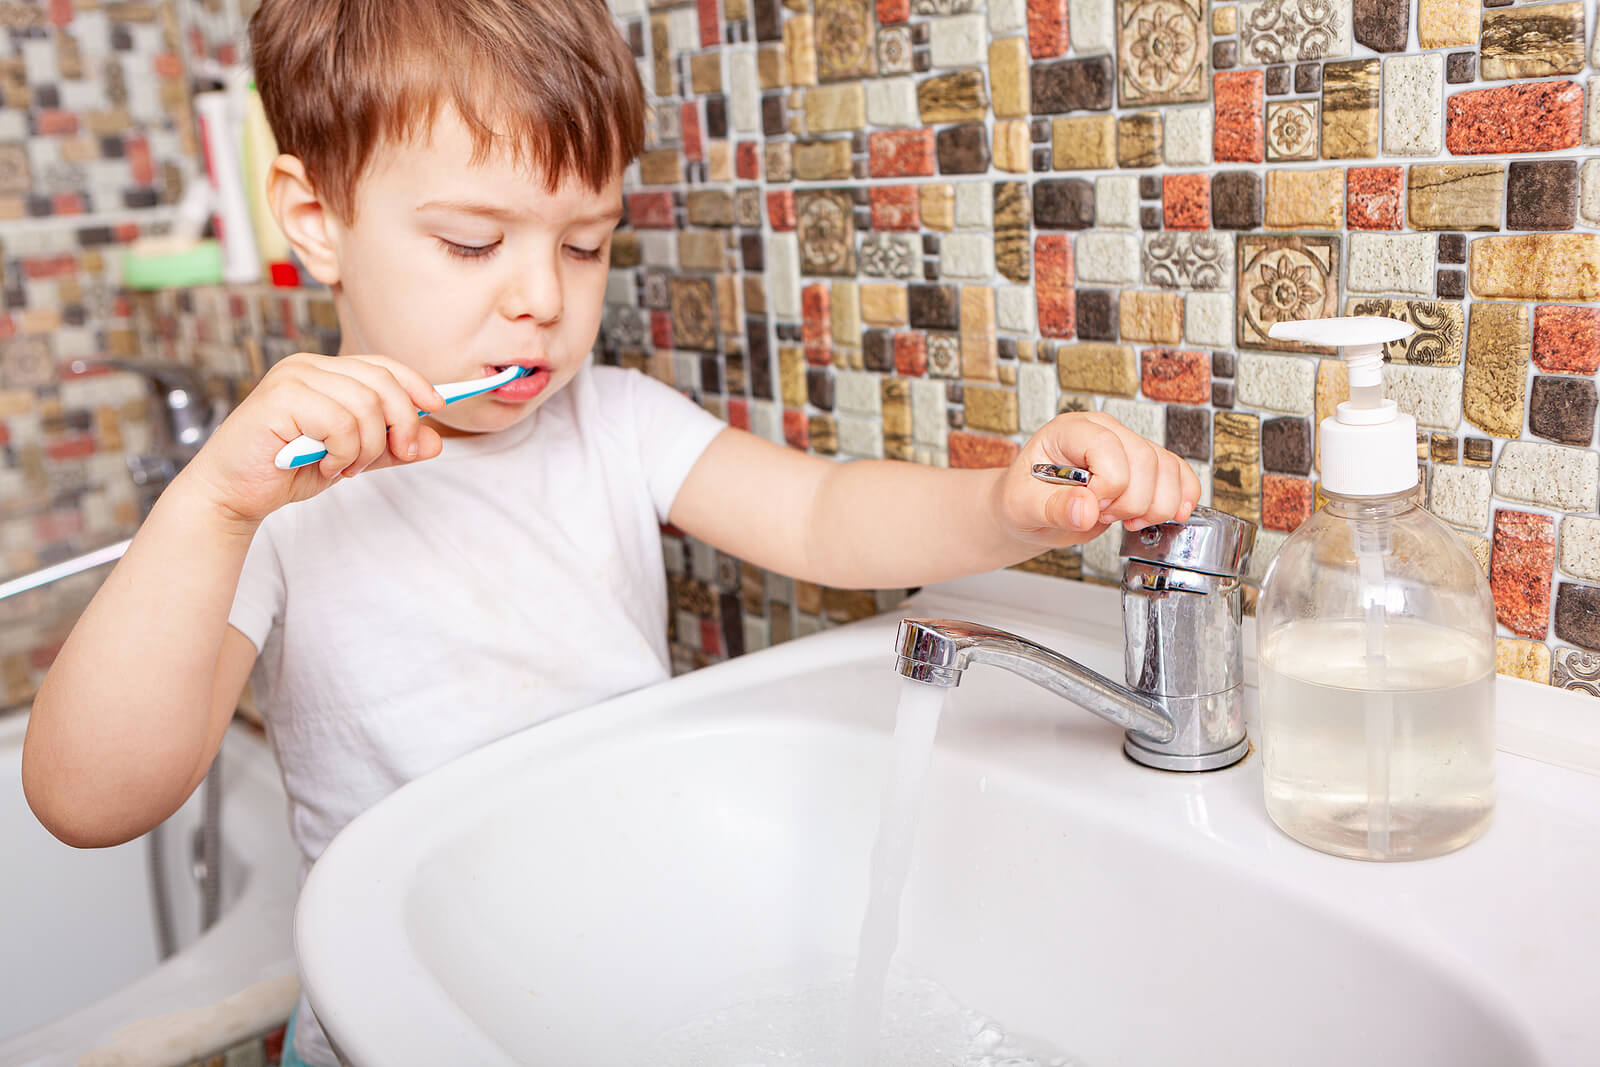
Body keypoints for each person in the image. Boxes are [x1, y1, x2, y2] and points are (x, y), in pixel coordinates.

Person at [23, 0, 1200, 1061]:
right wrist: (209, 506)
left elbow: (821, 512)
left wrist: (1002, 503)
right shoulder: (279, 505)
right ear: (314, 221)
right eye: (473, 242)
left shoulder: (615, 425)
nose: (542, 294)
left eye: (584, 243)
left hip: (618, 958)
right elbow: (92, 796)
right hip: (406, 1005)